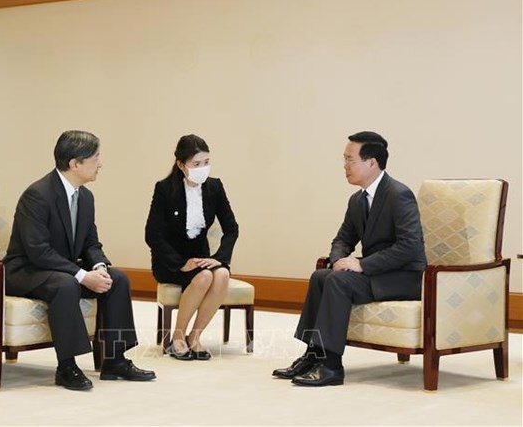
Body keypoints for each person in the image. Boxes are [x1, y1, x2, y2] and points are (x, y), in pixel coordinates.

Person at [4, 130, 156, 391]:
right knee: (66, 284)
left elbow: (90, 243)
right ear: (75, 164)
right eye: (96, 157)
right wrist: (82, 275)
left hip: (60, 269)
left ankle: (114, 360)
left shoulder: (85, 196)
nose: (101, 163)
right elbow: (38, 251)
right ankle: (66, 367)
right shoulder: (38, 195)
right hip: (26, 270)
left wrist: (98, 267)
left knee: (116, 279)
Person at [273, 131, 426, 387]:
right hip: (377, 273)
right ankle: (313, 355)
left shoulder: (399, 195)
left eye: (350, 160)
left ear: (372, 162)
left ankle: (331, 366)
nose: (345, 166)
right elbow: (342, 239)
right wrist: (338, 261)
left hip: (403, 277)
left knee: (338, 282)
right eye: (344, 159)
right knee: (322, 276)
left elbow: (410, 247)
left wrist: (361, 264)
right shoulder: (357, 200)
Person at [145, 134, 239, 360]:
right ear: (181, 164)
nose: (202, 169)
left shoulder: (215, 187)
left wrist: (220, 257)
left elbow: (232, 228)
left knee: (222, 274)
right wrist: (180, 263)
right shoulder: (165, 189)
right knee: (205, 277)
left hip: (201, 258)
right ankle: (177, 337)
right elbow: (152, 235)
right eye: (196, 164)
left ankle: (194, 337)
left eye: (206, 162)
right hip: (170, 261)